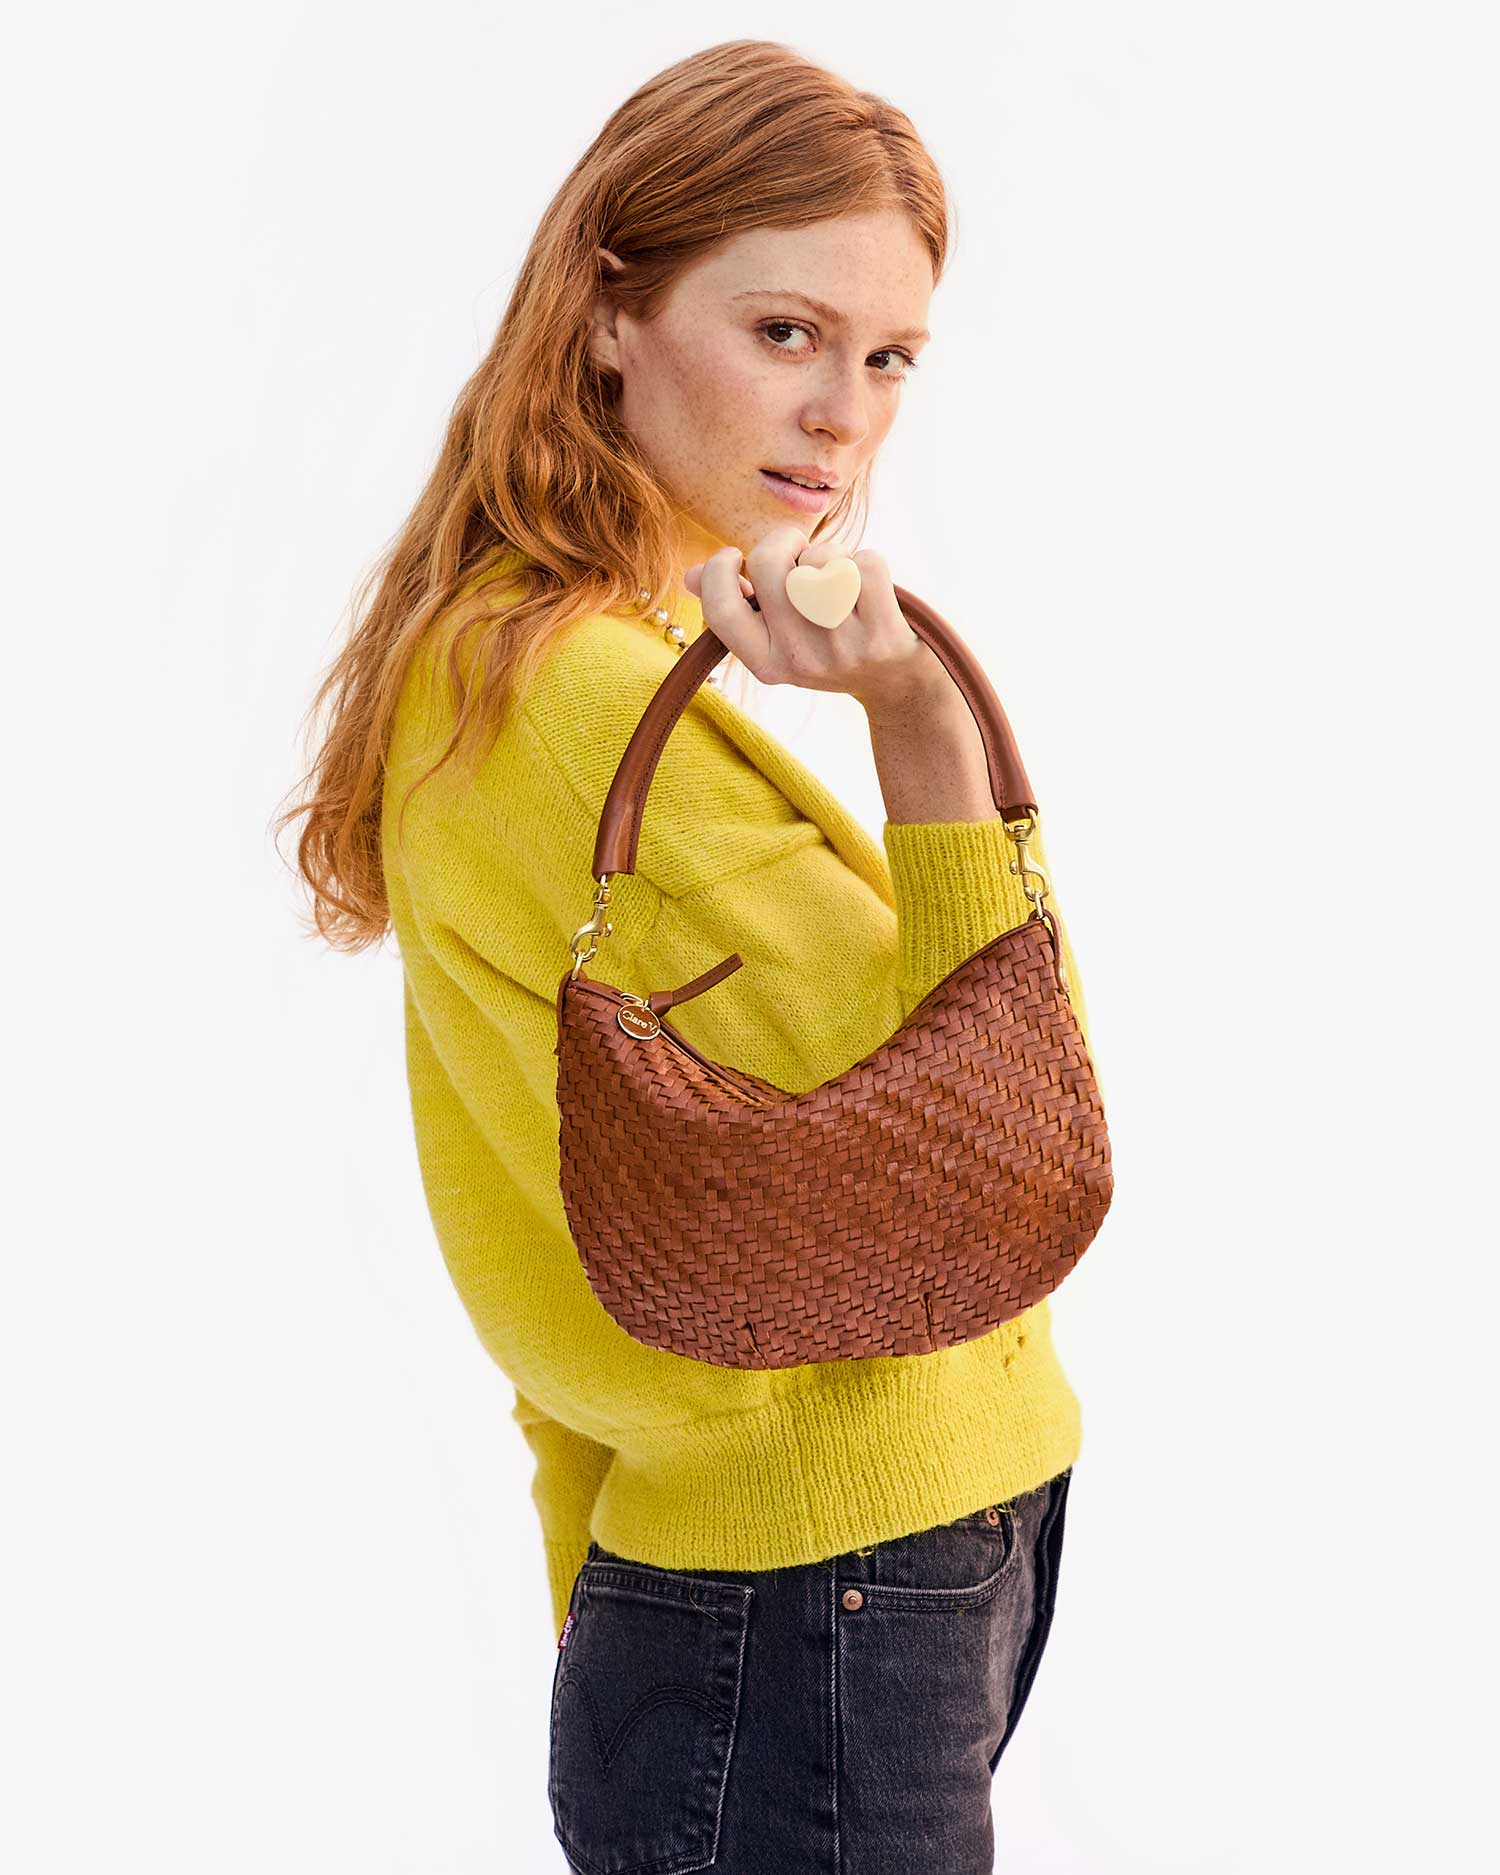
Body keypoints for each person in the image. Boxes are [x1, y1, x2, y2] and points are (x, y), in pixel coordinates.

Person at [280, 38, 1092, 1874]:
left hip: (839, 1561)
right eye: (789, 334)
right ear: (609, 314)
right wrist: (923, 731)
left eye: (888, 358)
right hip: (818, 1575)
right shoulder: (562, 695)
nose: (846, 416)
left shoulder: (588, 654)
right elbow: (971, 1136)